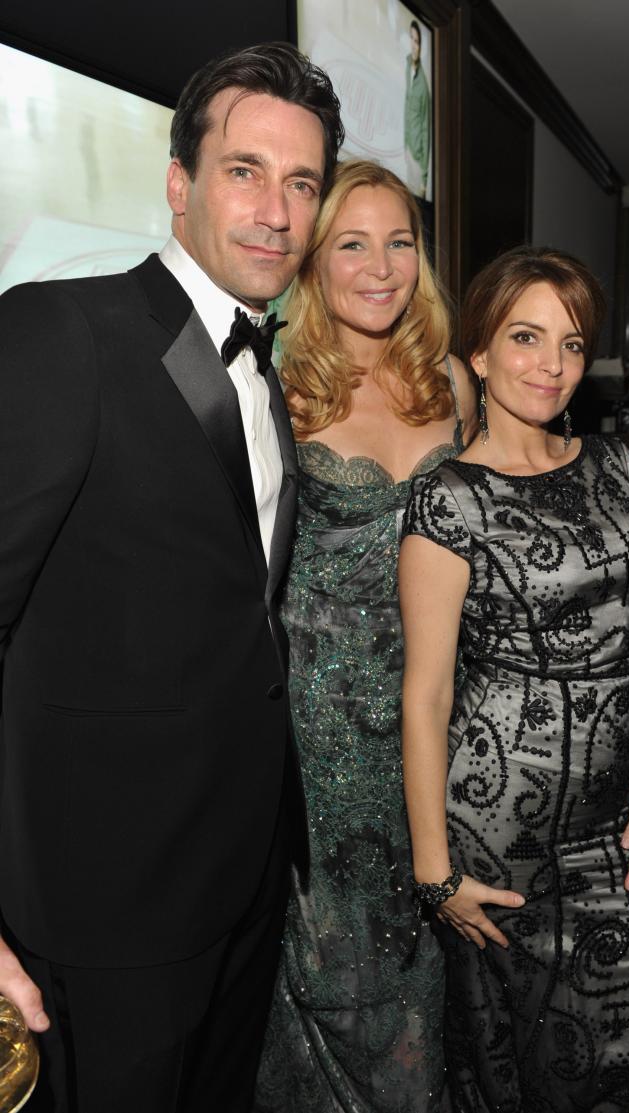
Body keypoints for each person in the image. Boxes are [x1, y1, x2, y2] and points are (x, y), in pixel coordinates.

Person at [252, 168, 629, 1112]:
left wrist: (622, 509)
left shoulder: (450, 377)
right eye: (351, 243)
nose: (379, 265)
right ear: (315, 262)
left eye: (399, 241)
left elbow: (517, 492)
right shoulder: (279, 382)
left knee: (444, 951)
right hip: (323, 726)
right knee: (336, 955)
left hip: (459, 714)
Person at [0, 43, 343, 1113]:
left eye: (302, 183)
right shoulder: (63, 331)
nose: (276, 211)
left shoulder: (263, 370)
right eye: (245, 170)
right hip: (101, 903)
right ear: (180, 184)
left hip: (241, 878)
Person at [399, 246, 629, 1112]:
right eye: (526, 338)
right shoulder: (448, 500)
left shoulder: (615, 469)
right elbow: (429, 693)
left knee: (627, 1041)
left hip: (616, 817)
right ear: (480, 352)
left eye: (570, 344)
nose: (552, 365)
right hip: (497, 830)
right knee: (517, 1057)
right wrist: (435, 870)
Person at [403, 20, 430, 199]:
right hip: (406, 148)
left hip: (417, 157)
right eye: (412, 39)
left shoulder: (424, 88)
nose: (414, 45)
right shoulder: (406, 64)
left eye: (417, 41)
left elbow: (426, 129)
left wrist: (424, 179)